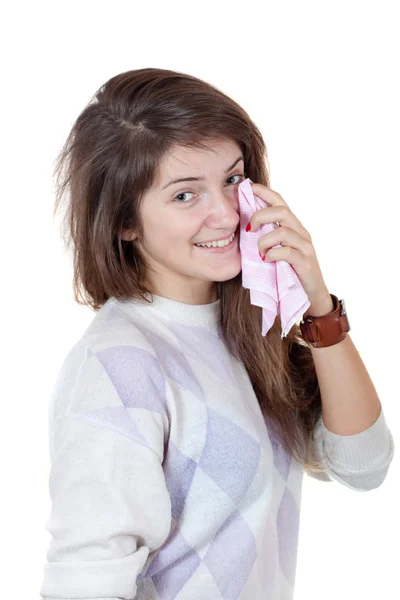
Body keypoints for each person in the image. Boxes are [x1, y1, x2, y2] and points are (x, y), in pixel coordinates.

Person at [40, 68, 394, 600]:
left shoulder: (249, 322)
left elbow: (363, 466)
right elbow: (83, 582)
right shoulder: (119, 363)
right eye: (185, 196)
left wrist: (317, 302)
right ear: (123, 222)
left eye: (232, 180)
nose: (226, 214)